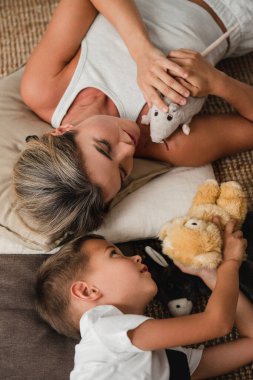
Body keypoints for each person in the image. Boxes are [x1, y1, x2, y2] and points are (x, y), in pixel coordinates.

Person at [14, 0, 253, 241]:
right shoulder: (164, 140)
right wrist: (218, 83)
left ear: (62, 130)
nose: (128, 149)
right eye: (121, 172)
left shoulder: (44, 88)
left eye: (104, 148)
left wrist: (143, 53)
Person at [35, 219, 253, 379]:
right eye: (114, 254)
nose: (136, 256)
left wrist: (212, 277)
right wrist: (230, 263)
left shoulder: (168, 360)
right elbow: (217, 323)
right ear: (87, 292)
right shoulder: (102, 329)